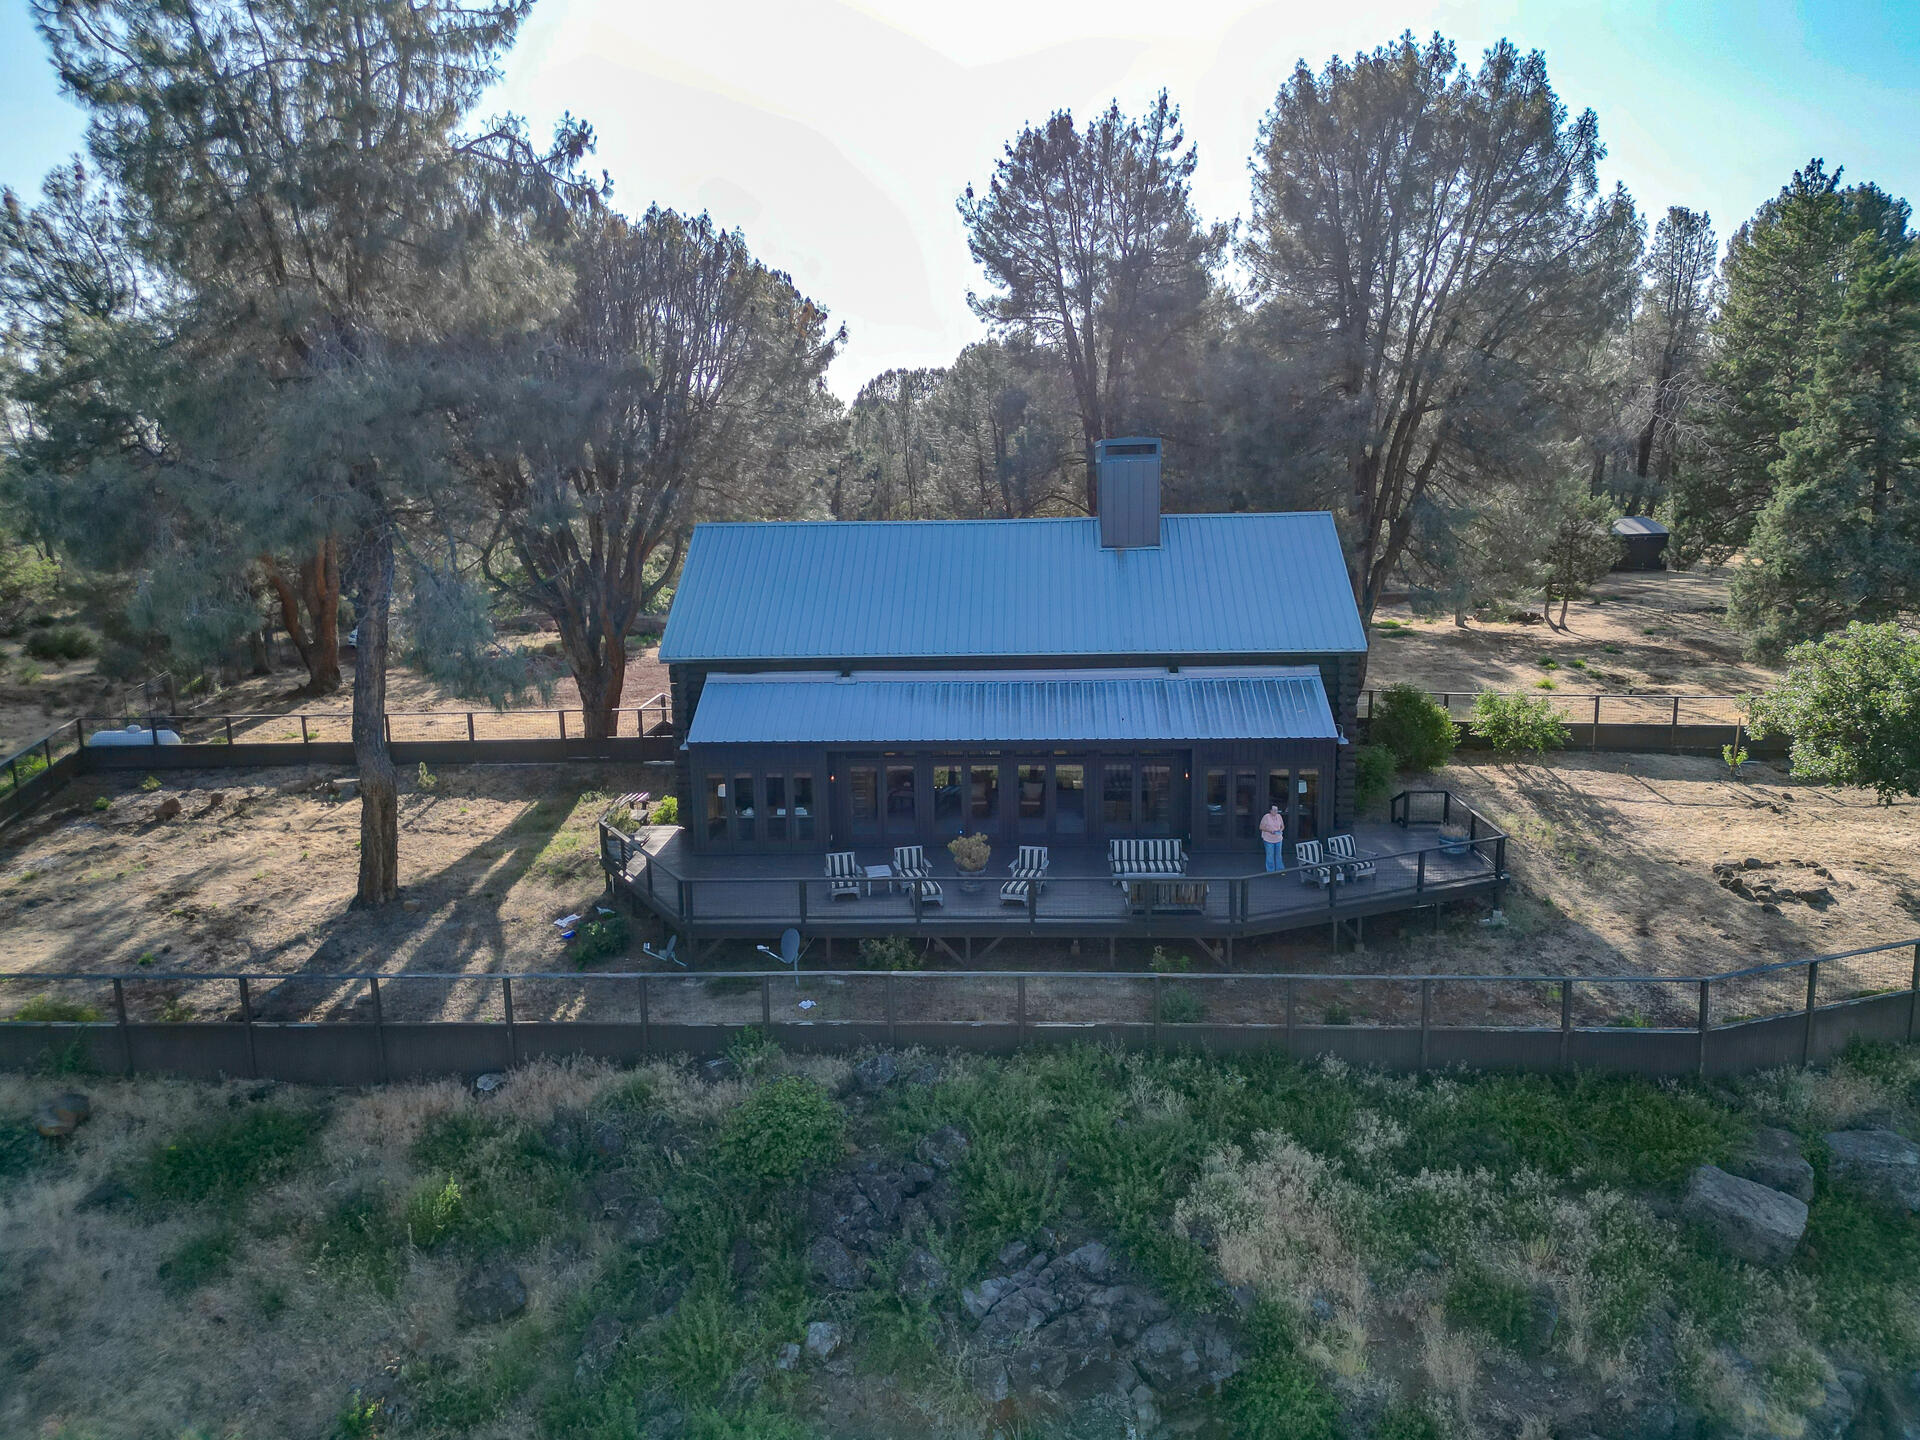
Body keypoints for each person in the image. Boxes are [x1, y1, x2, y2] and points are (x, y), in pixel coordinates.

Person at [1259, 804, 1286, 872]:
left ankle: (1280, 869)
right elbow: (1261, 827)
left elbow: (1282, 826)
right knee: (1270, 855)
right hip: (1268, 838)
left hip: (1278, 838)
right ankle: (1270, 870)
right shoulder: (1266, 817)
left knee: (1278, 854)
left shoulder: (1279, 816)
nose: (1275, 811)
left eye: (1276, 810)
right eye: (1274, 810)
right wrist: (1270, 831)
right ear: (1270, 810)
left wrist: (1280, 830)